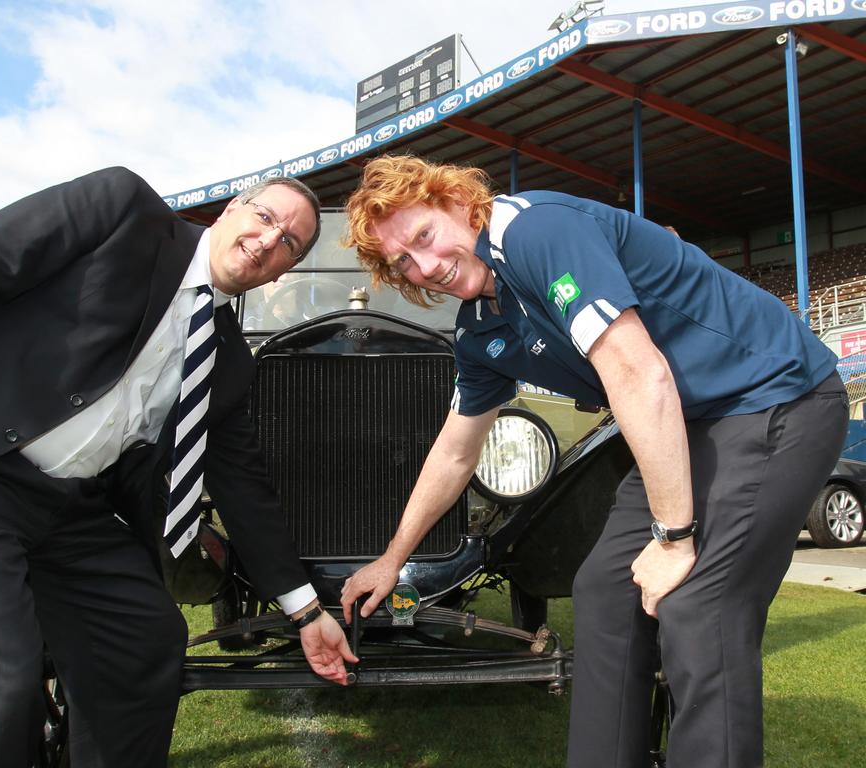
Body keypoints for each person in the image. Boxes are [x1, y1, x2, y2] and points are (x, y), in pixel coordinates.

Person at [339, 155, 847, 768]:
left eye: (424, 236)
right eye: (404, 264)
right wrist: (392, 560)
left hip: (774, 395)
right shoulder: (479, 328)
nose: (426, 266)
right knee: (603, 589)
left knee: (698, 605)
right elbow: (454, 449)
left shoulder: (533, 230)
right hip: (688, 421)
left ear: (457, 200)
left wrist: (675, 537)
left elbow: (639, 373)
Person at [0, 167, 357, 768]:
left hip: (66, 510)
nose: (271, 240)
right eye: (266, 217)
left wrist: (306, 612)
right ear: (229, 212)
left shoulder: (230, 363)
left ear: (283, 271)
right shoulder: (123, 212)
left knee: (144, 639)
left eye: (290, 243)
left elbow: (243, 489)